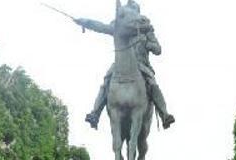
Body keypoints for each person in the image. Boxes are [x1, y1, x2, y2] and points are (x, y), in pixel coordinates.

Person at [75, 1, 175, 130]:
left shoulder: (146, 29)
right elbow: (102, 27)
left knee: (152, 84)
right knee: (106, 81)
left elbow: (158, 50)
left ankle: (164, 115)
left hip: (142, 65)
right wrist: (86, 22)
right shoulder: (121, 26)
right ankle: (95, 113)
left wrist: (148, 44)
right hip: (120, 65)